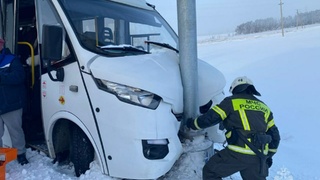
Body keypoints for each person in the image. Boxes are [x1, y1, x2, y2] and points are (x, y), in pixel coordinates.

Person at [187, 76, 280, 180]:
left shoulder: (231, 102)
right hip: (259, 156)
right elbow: (275, 136)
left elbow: (211, 118)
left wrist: (193, 124)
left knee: (210, 171)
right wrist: (268, 156)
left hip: (237, 153)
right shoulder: (264, 107)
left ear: (235, 89)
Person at [0, 38, 29, 165]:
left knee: (15, 131)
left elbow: (19, 77)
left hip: (11, 104)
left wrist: (1, 77)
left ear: (1, 45)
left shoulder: (12, 59)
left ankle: (21, 154)